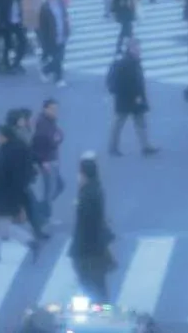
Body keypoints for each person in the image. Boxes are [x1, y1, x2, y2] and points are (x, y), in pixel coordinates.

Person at [0, 111, 45, 261]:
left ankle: (30, 242)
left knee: (3, 225)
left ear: (4, 137)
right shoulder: (18, 147)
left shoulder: (5, 153)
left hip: (3, 194)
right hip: (12, 192)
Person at [71, 154, 116, 304]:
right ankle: (104, 310)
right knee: (98, 284)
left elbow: (88, 224)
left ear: (83, 174)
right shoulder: (95, 189)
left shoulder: (87, 195)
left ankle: (100, 311)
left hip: (87, 251)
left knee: (90, 284)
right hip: (94, 249)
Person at [106, 39, 158, 156]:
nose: (139, 50)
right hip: (129, 98)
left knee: (137, 121)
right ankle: (113, 147)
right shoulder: (127, 63)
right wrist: (137, 96)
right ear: (130, 49)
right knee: (120, 122)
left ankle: (145, 146)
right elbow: (128, 83)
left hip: (128, 99)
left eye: (139, 48)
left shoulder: (132, 61)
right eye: (136, 48)